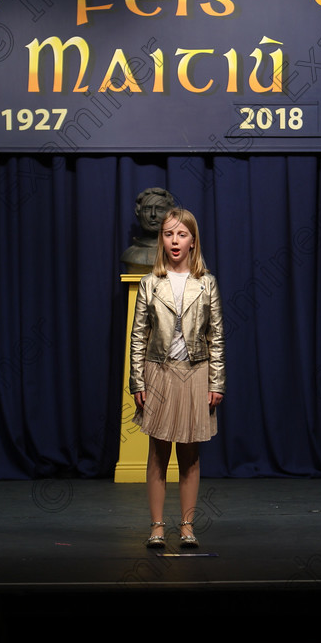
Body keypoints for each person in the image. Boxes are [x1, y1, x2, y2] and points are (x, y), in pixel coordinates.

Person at [129, 208, 225, 548]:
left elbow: (216, 337)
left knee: (190, 454)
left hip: (196, 373)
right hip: (159, 373)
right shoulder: (150, 283)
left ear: (193, 241)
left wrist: (217, 382)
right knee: (158, 453)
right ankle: (157, 526)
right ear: (161, 240)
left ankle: (186, 526)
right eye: (168, 234)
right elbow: (138, 336)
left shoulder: (206, 283)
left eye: (181, 234)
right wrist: (137, 381)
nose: (174, 240)